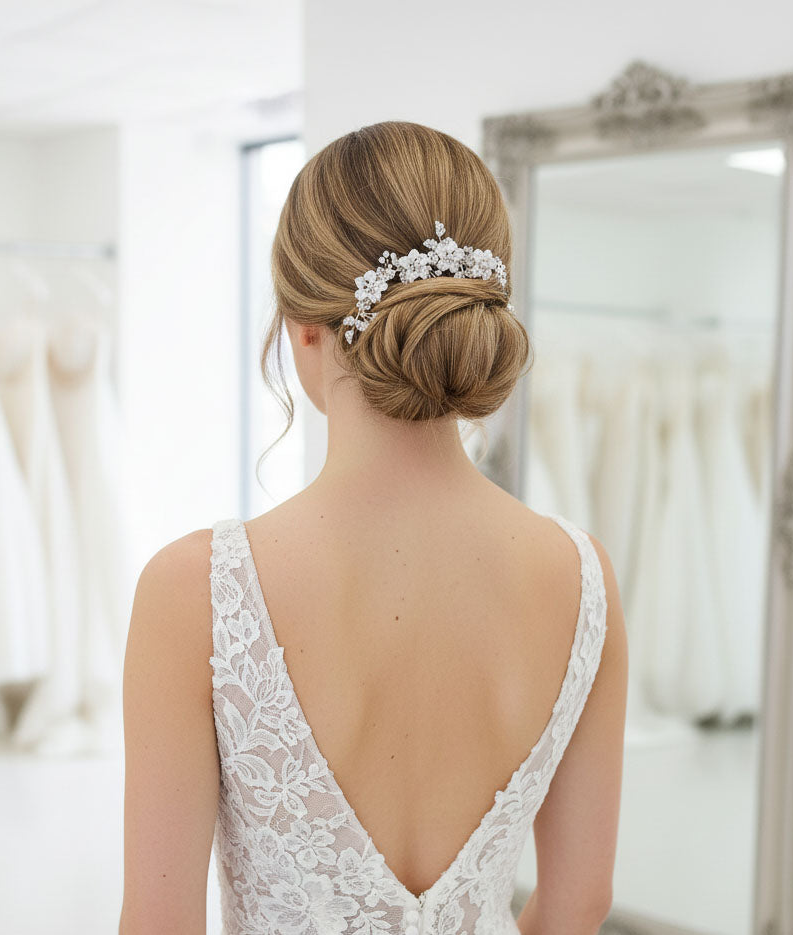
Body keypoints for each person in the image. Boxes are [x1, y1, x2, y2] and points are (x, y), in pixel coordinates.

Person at [119, 120, 628, 935]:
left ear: (302, 326)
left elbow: (157, 925)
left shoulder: (194, 590)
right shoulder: (581, 574)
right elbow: (577, 902)